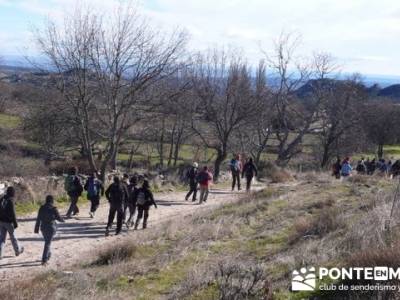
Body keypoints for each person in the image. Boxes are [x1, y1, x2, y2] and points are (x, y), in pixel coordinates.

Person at [34, 195, 64, 265]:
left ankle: (48, 255)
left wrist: (36, 228)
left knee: (47, 242)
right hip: (51, 228)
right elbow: (59, 218)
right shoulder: (53, 208)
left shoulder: (41, 208)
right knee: (47, 243)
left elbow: (38, 219)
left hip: (43, 227)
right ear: (52, 201)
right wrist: (63, 220)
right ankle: (44, 260)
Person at [0, 187, 24, 259]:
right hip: (9, 222)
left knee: (2, 238)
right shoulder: (11, 200)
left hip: (1, 222)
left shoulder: (1, 199)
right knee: (13, 237)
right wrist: (15, 223)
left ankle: (0, 254)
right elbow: (13, 213)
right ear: (12, 193)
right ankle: (17, 251)